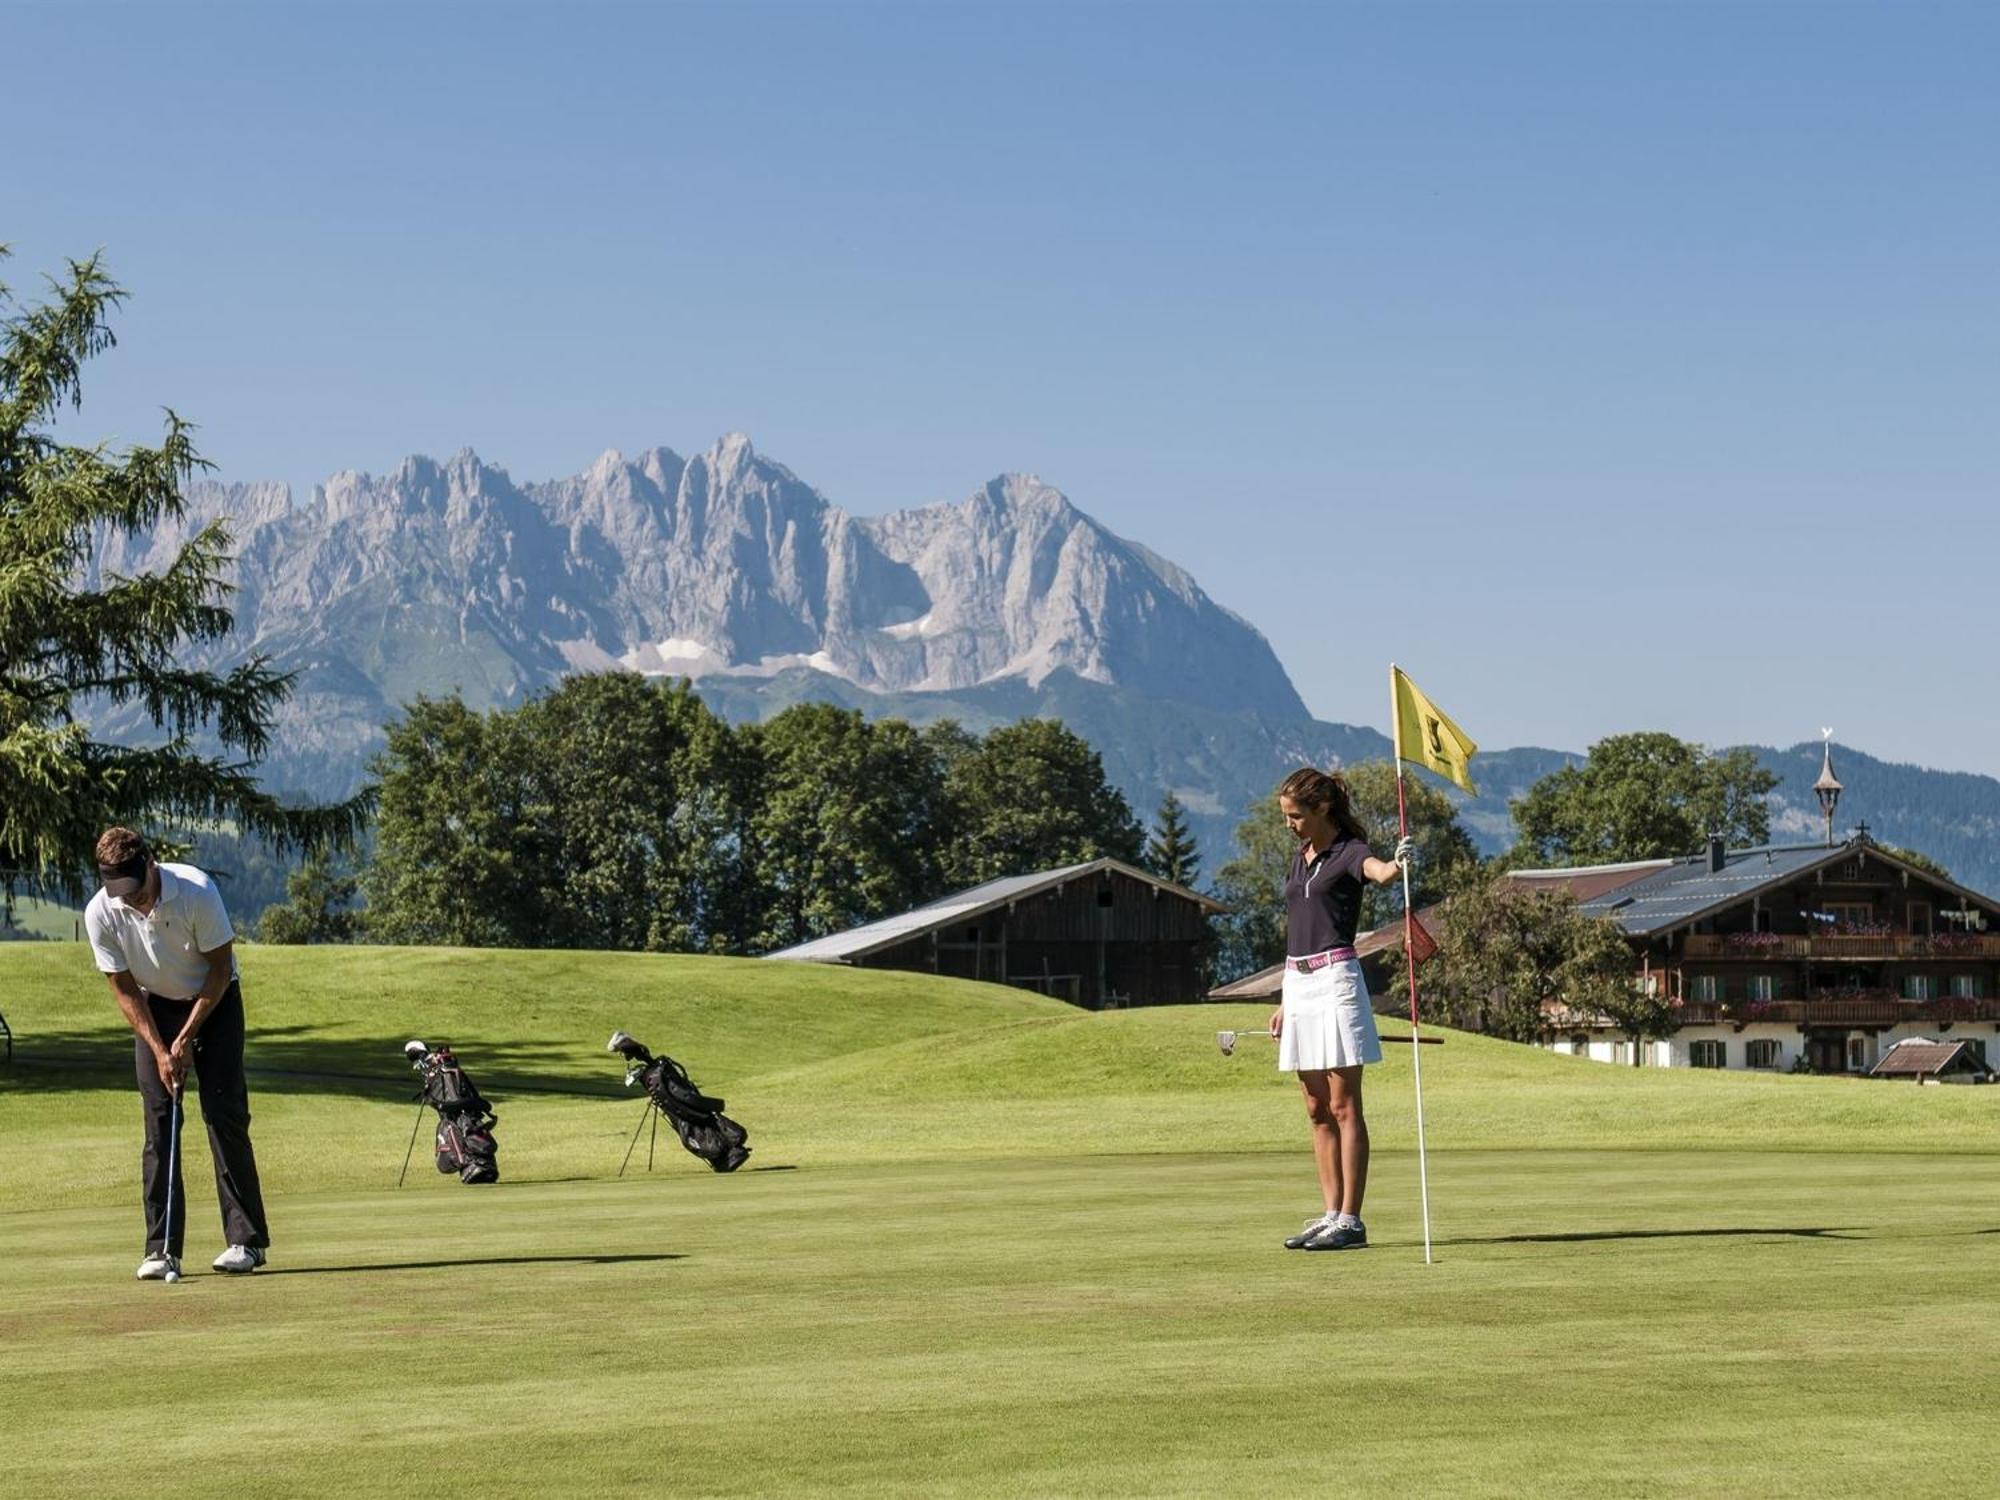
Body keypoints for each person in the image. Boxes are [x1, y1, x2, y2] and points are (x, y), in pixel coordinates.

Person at [84, 827, 271, 1279]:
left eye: (139, 891)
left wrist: (187, 1038)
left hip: (215, 1000)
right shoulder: (101, 912)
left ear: (151, 864)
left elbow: (221, 969)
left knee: (223, 1113)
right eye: (122, 894)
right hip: (153, 1005)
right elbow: (124, 989)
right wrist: (160, 1049)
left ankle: (245, 1242)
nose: (134, 902)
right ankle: (161, 1249)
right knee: (159, 1122)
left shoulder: (196, 890)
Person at [1267, 769, 1411, 1252]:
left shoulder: (1348, 851)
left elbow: (1378, 872)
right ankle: (1330, 1213)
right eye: (1286, 816)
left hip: (1337, 981)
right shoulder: (1299, 858)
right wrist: (1286, 1000)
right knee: (1315, 1108)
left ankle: (1351, 1219)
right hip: (1299, 982)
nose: (1289, 824)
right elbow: (1295, 930)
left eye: (1295, 815)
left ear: (1322, 809)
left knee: (1345, 1105)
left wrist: (1396, 865)